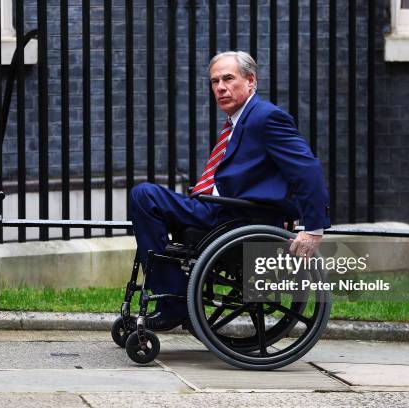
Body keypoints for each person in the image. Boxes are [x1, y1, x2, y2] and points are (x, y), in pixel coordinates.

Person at [129, 51, 330, 329]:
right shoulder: (239, 121)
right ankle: (175, 294)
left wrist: (313, 228)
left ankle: (175, 299)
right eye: (214, 82)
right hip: (220, 211)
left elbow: (307, 169)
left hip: (234, 218)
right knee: (148, 201)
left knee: (144, 195)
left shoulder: (266, 117)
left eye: (228, 79)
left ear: (251, 81)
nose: (220, 87)